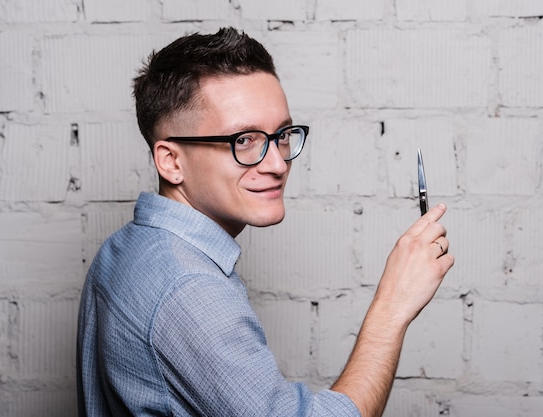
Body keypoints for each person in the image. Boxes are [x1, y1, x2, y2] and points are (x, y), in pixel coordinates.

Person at [76, 27, 454, 417]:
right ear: (171, 161)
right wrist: (392, 309)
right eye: (244, 140)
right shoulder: (190, 290)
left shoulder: (124, 248)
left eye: (282, 134)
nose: (277, 164)